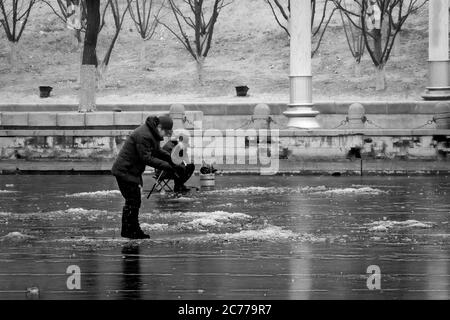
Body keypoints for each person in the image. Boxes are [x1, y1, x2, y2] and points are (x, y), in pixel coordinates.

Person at [112, 115, 188, 239]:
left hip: (131, 171)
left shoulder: (152, 133)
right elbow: (146, 158)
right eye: (166, 132)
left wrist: (173, 160)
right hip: (125, 171)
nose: (165, 136)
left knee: (134, 201)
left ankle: (132, 229)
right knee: (133, 201)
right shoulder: (144, 135)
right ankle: (129, 230)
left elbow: (157, 151)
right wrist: (168, 167)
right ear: (159, 127)